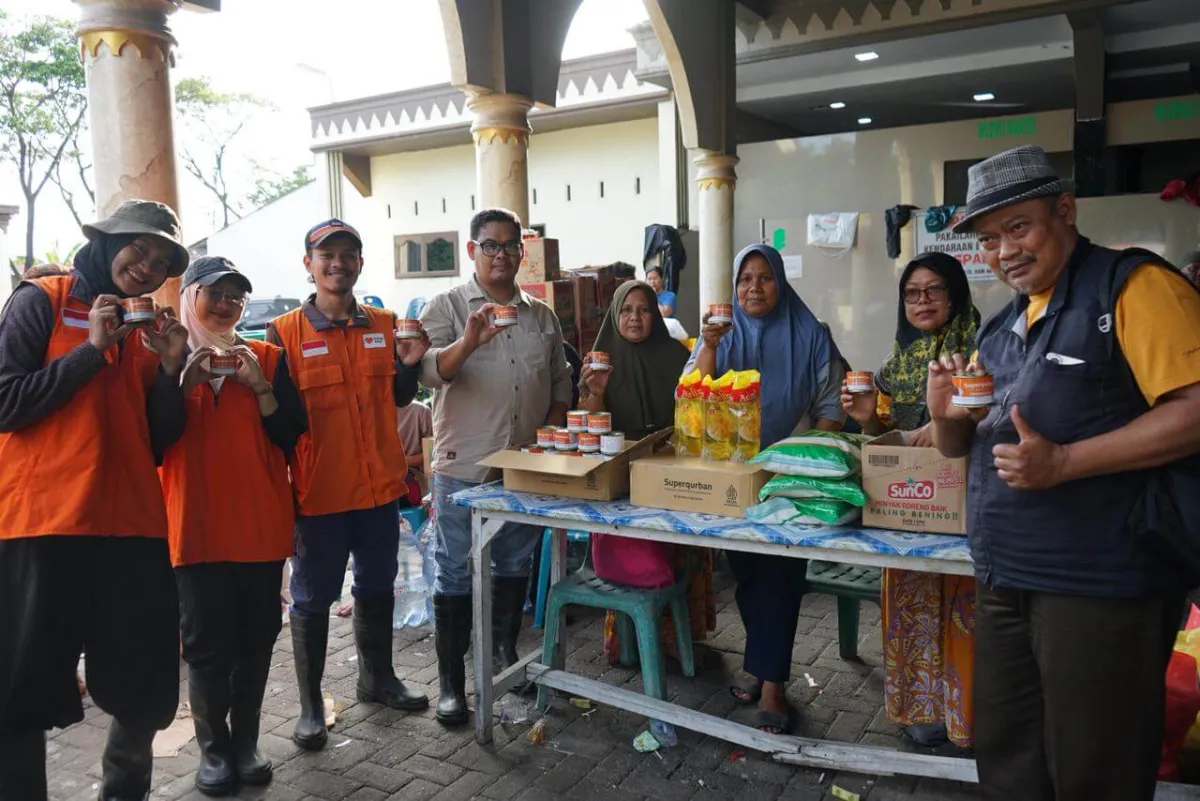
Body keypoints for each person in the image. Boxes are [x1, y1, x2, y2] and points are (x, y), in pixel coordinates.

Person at [930, 145, 1200, 800]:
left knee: (1095, 767)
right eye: (990, 239)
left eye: (1017, 226)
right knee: (1009, 757)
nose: (1003, 251)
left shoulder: (1132, 287)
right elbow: (956, 443)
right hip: (1005, 577)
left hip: (1100, 583)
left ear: (1066, 209)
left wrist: (1067, 462)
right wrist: (943, 414)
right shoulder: (1001, 326)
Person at [0, 200, 190, 801]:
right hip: (43, 523)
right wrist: (90, 350)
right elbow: (7, 402)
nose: (146, 266)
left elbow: (158, 440)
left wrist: (168, 370)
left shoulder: (147, 326)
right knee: (21, 685)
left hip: (130, 527)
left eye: (161, 261)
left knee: (146, 681)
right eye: (139, 248)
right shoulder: (43, 301)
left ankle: (123, 791)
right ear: (107, 243)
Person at [267, 218, 430, 752]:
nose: (338, 263)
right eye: (327, 254)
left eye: (349, 254)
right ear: (308, 262)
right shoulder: (284, 332)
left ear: (360, 262)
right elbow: (279, 419)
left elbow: (400, 397)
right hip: (320, 494)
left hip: (381, 490)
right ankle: (312, 705)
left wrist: (407, 366)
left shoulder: (384, 324)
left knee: (377, 587)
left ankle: (376, 678)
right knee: (312, 599)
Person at [419, 207, 572, 726]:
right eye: (490, 245)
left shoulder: (540, 315)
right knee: (456, 568)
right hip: (465, 461)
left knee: (513, 562)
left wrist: (543, 445)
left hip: (522, 467)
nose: (501, 255)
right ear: (471, 251)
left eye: (510, 246)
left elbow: (558, 385)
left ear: (521, 253)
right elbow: (429, 374)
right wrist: (469, 340)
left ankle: (505, 654)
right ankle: (451, 685)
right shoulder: (445, 305)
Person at [161, 257, 307, 793]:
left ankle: (244, 742)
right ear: (191, 296)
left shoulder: (267, 357)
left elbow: (292, 434)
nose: (226, 305)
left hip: (257, 527)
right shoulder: (169, 358)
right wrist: (181, 381)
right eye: (215, 293)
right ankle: (214, 750)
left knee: (255, 639)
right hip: (194, 527)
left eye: (236, 296)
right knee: (204, 643)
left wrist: (261, 388)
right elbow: (153, 437)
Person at [690, 243, 844, 734]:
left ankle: (773, 685)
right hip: (733, 473)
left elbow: (832, 399)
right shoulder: (721, 331)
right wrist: (709, 344)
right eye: (744, 280)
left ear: (781, 280)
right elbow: (693, 390)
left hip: (789, 476)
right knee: (750, 572)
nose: (754, 287)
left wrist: (810, 457)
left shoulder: (812, 334)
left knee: (781, 573)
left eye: (764, 277)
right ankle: (761, 666)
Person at [841, 252, 980, 748]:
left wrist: (944, 422)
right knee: (912, 603)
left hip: (965, 502)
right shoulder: (897, 361)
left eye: (934, 290)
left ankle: (967, 718)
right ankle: (921, 712)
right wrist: (864, 418)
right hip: (907, 505)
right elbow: (887, 437)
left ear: (956, 294)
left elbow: (993, 416)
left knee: (966, 609)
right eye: (912, 293)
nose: (921, 301)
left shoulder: (982, 350)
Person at [578, 281, 716, 664]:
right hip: (621, 479)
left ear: (655, 315)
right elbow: (589, 429)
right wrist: (597, 391)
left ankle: (678, 640)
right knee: (639, 554)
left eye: (643, 310)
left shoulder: (675, 355)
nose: (635, 318)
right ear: (615, 314)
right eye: (626, 310)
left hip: (673, 468)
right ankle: (628, 642)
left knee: (679, 553)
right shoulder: (600, 360)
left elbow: (696, 407)